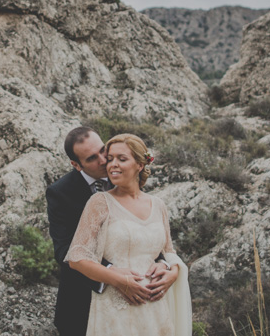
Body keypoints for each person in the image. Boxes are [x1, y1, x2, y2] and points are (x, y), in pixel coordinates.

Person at [46, 127, 177, 336]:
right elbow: (64, 250)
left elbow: (145, 237)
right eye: (92, 158)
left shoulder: (131, 179)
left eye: (102, 151)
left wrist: (167, 266)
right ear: (76, 165)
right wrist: (113, 273)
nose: (104, 160)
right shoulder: (60, 193)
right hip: (84, 301)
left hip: (146, 304)